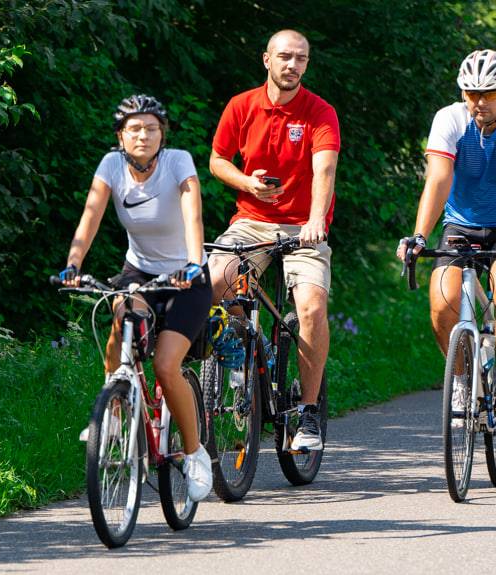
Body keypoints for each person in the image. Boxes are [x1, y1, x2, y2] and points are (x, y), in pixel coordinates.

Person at [59, 94, 213, 502]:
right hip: (140, 271)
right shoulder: (111, 166)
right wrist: (73, 265)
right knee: (121, 316)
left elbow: (192, 213)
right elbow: (89, 217)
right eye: (134, 129)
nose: (142, 135)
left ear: (162, 134)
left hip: (187, 276)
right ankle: (114, 410)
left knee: (165, 364)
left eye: (150, 128)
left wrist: (195, 263)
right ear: (120, 137)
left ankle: (195, 454)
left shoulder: (178, 161)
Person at [397, 49, 496, 434]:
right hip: (462, 223)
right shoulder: (449, 119)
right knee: (441, 297)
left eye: (489, 93)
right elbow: (439, 178)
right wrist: (419, 236)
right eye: (471, 93)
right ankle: (461, 381)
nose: (479, 102)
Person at [208, 29, 340, 451]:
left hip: (305, 226)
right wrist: (246, 182)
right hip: (252, 220)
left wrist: (316, 218)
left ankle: (307, 411)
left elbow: (324, 170)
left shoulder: (319, 112)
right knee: (215, 280)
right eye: (285, 57)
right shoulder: (241, 106)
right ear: (266, 59)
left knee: (311, 306)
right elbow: (217, 160)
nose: (292, 65)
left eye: (300, 58)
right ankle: (248, 346)